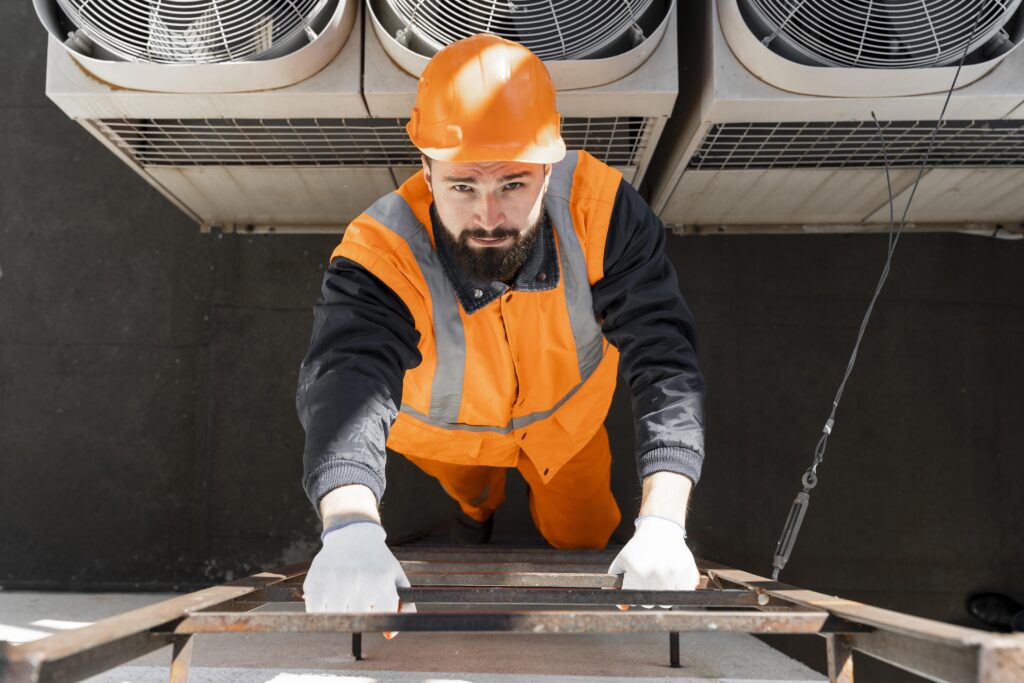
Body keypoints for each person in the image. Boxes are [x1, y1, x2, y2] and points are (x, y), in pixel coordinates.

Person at [297, 33, 706, 614]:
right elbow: (345, 379)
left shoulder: (603, 210)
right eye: (462, 186)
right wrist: (347, 525)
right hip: (448, 435)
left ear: (547, 165)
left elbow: (665, 359)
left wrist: (665, 519)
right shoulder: (379, 253)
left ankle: (508, 518)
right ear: (427, 169)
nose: (488, 218)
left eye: (512, 184)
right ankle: (475, 515)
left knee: (585, 533)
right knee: (472, 490)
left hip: (567, 425)